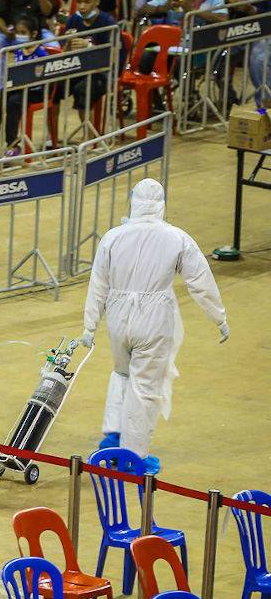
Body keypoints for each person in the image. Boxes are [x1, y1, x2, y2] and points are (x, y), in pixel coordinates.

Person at [79, 178, 229, 475]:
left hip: (118, 316)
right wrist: (219, 318)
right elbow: (201, 281)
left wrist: (90, 325)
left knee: (121, 373)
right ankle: (133, 457)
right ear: (162, 203)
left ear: (132, 200)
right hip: (155, 317)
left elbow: (98, 284)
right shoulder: (176, 238)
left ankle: (112, 438)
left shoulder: (112, 237)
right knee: (145, 387)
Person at [49, 0, 117, 139]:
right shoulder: (73, 20)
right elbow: (64, 54)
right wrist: (67, 45)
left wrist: (89, 46)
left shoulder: (108, 22)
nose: (82, 6)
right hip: (76, 70)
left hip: (101, 73)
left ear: (97, 1)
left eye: (87, 2)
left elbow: (112, 57)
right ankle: (52, 137)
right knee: (53, 87)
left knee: (82, 89)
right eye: (79, 2)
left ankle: (89, 137)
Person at [0, 14, 47, 158]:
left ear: (34, 34)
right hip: (19, 88)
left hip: (36, 91)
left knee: (13, 102)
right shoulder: (19, 49)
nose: (19, 36)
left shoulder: (41, 52)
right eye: (17, 32)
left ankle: (13, 144)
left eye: (23, 33)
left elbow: (43, 78)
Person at [0, 0, 58, 69]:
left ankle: (51, 80)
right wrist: (6, 31)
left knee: (55, 48)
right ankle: (2, 80)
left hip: (40, 30)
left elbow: (48, 13)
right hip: (14, 31)